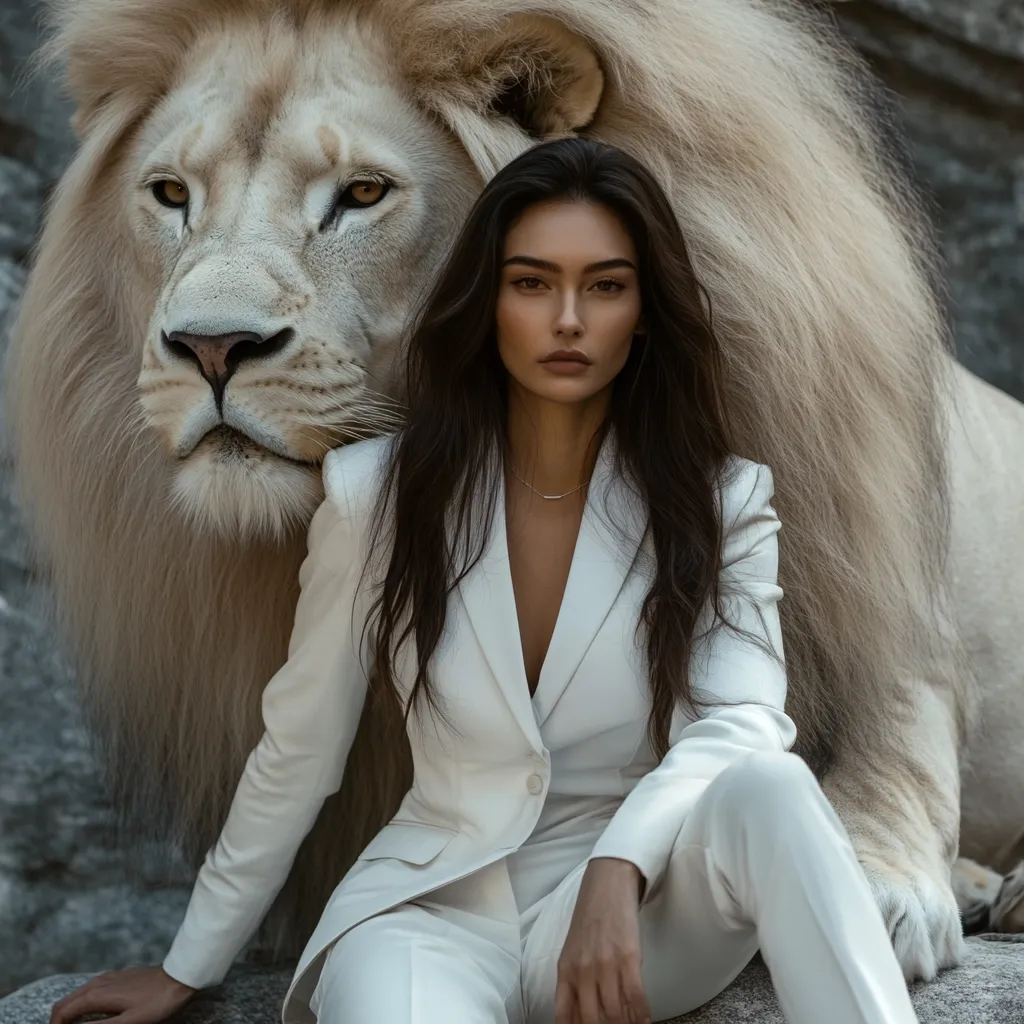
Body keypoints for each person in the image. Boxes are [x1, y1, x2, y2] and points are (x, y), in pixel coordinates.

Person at [49, 137, 920, 1024]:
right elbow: (298, 750)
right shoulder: (373, 494)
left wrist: (622, 866)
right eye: (533, 283)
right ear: (488, 302)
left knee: (771, 788)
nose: (569, 319)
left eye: (606, 286)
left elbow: (741, 722)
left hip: (636, 910)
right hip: (429, 914)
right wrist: (185, 966)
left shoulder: (723, 500)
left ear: (645, 313)